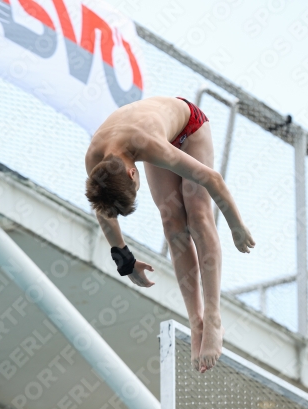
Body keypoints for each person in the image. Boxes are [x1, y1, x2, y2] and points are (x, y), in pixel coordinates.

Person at [85, 96, 255, 373]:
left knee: (198, 214)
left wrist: (236, 225)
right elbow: (104, 210)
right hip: (149, 132)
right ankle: (195, 320)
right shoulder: (95, 159)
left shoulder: (148, 146)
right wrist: (125, 262)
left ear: (132, 173)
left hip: (187, 127)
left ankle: (212, 318)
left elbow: (212, 179)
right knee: (171, 222)